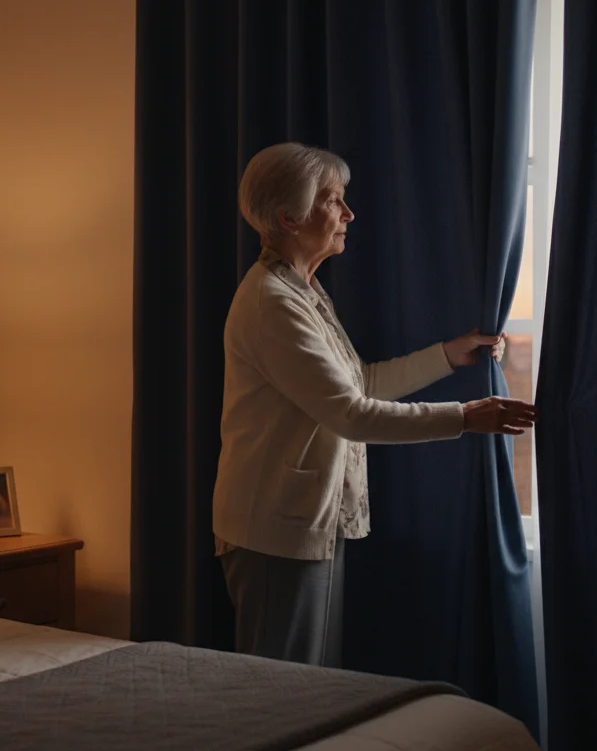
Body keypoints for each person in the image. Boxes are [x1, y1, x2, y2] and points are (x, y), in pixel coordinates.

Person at [212, 142, 537, 668]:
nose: (348, 213)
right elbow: (352, 414)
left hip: (299, 519)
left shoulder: (303, 292)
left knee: (307, 682)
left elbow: (357, 384)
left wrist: (447, 357)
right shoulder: (272, 302)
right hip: (275, 526)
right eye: (333, 200)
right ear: (289, 217)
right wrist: (464, 416)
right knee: (284, 688)